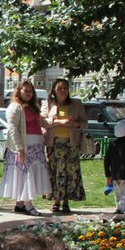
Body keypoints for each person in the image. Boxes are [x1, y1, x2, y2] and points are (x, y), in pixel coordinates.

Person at [0, 80, 52, 216]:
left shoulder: (33, 106)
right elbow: (12, 129)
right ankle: (28, 204)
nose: (28, 93)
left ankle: (20, 204)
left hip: (36, 145)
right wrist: (19, 148)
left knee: (30, 174)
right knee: (25, 174)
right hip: (24, 145)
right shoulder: (15, 107)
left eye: (30, 91)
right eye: (25, 90)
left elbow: (42, 122)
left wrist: (56, 120)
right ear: (19, 91)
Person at [43, 77, 87, 213]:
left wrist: (74, 124)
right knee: (55, 171)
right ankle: (56, 201)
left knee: (69, 172)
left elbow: (84, 123)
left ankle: (66, 201)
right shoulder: (48, 104)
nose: (62, 91)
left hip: (71, 143)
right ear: (54, 90)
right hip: (54, 143)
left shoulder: (76, 104)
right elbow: (44, 122)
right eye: (59, 88)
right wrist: (60, 123)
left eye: (65, 88)